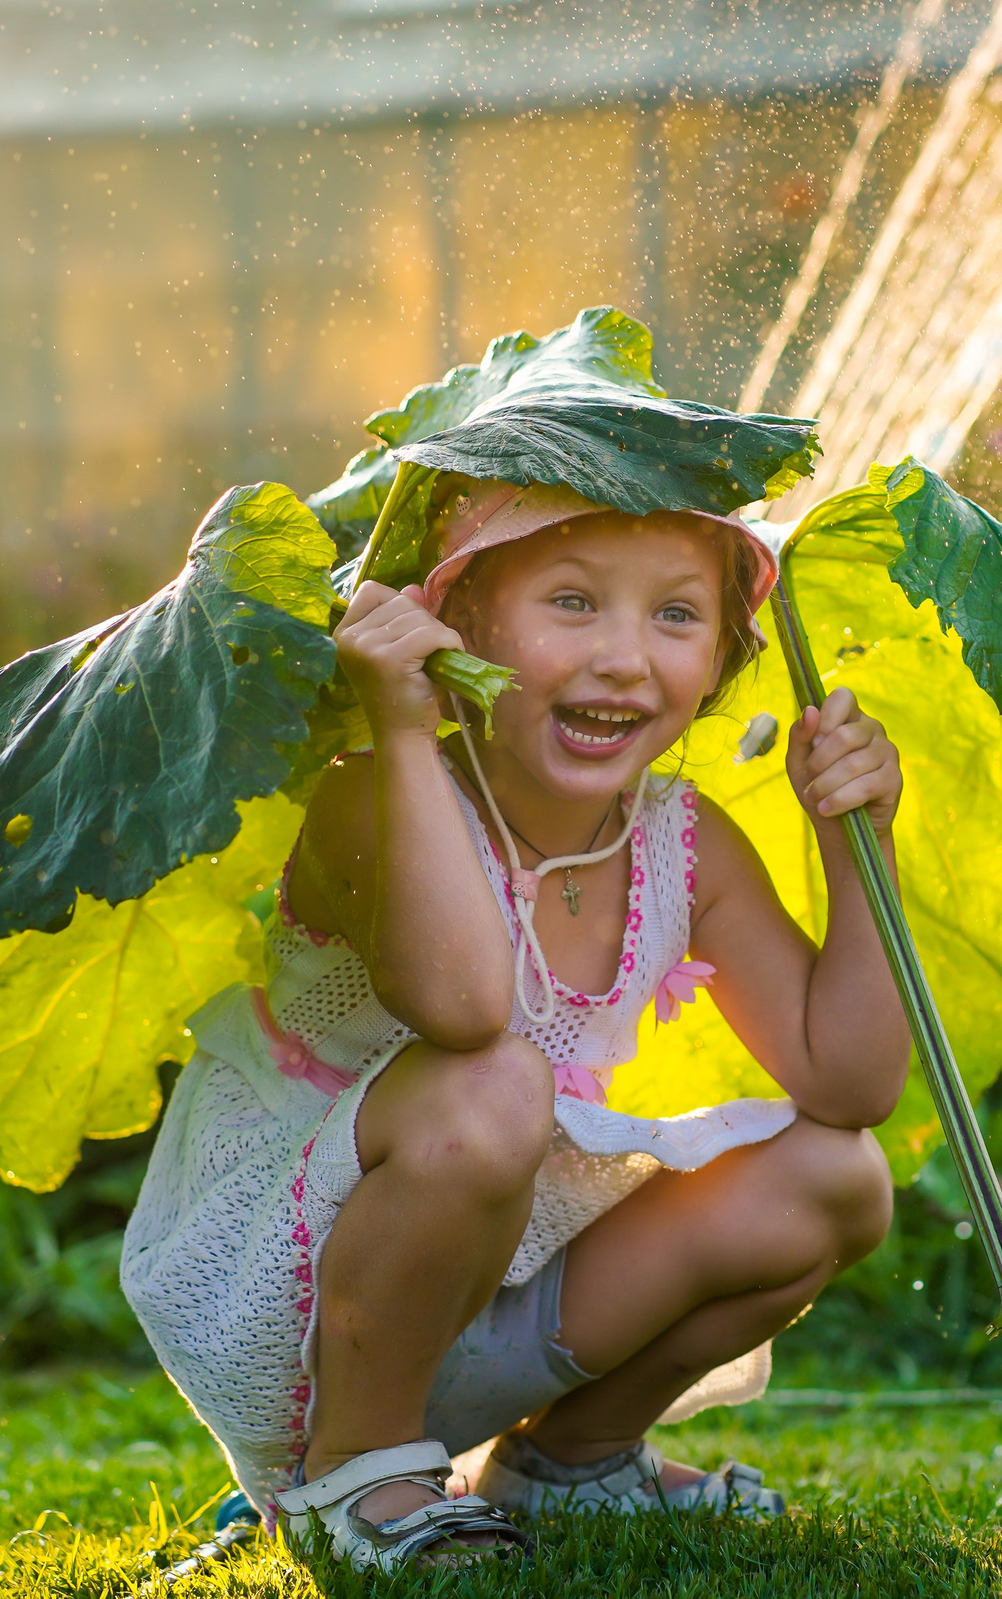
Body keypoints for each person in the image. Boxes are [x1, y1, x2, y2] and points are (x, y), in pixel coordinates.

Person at [120, 476, 911, 1569]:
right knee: (493, 1082)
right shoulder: (374, 795)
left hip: (491, 1281)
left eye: (676, 615)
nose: (625, 656)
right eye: (573, 602)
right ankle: (352, 1477)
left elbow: (850, 1083)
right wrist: (403, 730)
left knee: (838, 1174)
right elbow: (465, 1007)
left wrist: (855, 843)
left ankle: (570, 1465)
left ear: (722, 658)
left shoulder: (684, 838)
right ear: (464, 626)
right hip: (291, 1310)